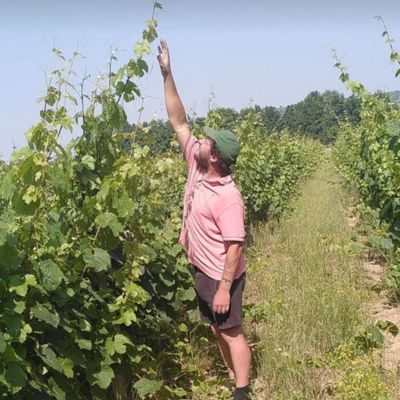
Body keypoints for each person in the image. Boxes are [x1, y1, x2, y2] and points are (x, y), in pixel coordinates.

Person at [157, 39, 252, 400]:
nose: (200, 139)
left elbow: (235, 246)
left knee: (231, 331)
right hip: (203, 269)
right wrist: (167, 74)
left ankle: (242, 392)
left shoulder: (228, 197)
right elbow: (178, 120)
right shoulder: (198, 168)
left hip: (221, 273)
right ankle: (232, 374)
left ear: (215, 157)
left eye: (207, 141)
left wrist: (225, 288)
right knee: (216, 328)